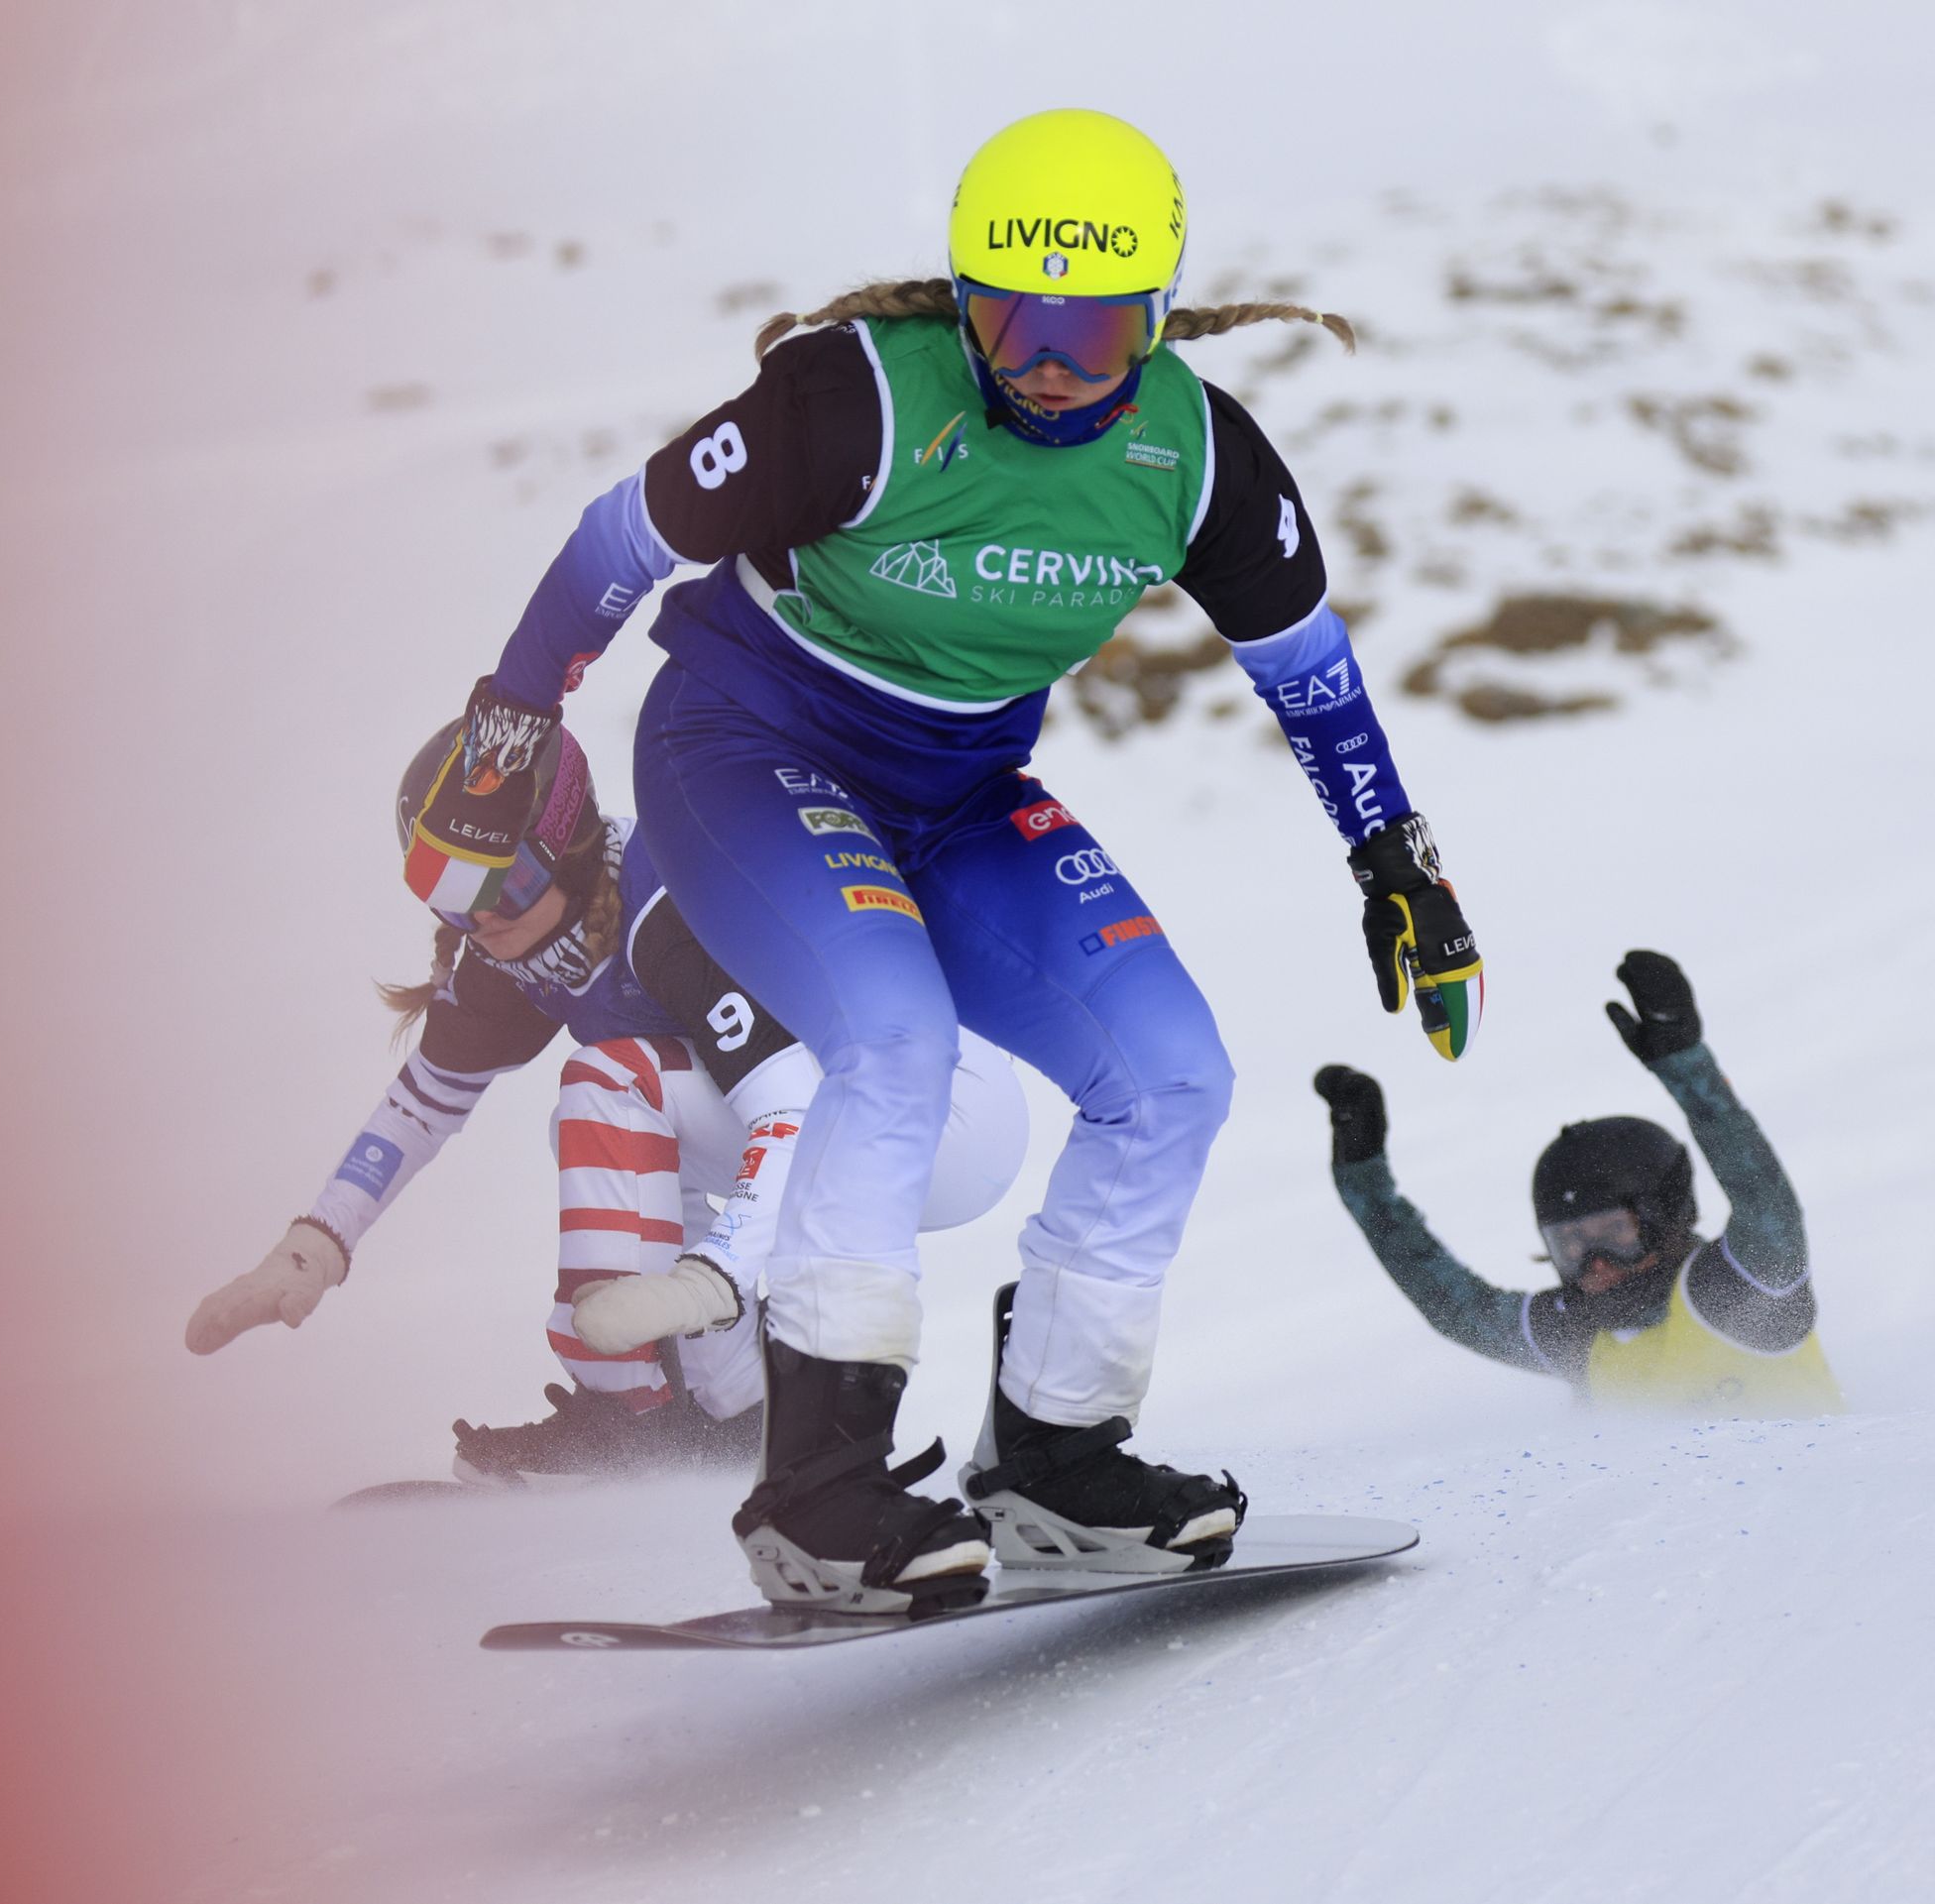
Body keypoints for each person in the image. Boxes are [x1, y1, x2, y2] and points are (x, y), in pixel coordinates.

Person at [398, 108, 1485, 1614]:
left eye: (1093, 336)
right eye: (1007, 321)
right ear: (959, 298)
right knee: (893, 1044)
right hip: (743, 754)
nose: (1045, 366)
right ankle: (817, 1493)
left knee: (1175, 1072)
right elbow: (616, 539)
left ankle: (1054, 1456)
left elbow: (1307, 665)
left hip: (962, 790)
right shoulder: (853, 401)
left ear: (1160, 319)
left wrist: (1397, 861)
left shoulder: (1199, 456)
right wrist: (514, 717)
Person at [185, 725, 1031, 1487]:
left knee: (612, 1081)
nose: (478, 916)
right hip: (827, 1116)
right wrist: (315, 1244)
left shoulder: (667, 908)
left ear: (575, 849)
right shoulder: (516, 946)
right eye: (443, 884)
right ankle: (717, 1409)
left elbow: (795, 1108)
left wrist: (715, 1277)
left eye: (504, 880)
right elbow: (418, 1109)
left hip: (944, 1111)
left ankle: (645, 1411)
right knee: (621, 1105)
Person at [1314, 952, 1837, 1413]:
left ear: (1666, 1213)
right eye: (1570, 1245)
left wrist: (1685, 1065)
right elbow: (1457, 1308)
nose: (1597, 1263)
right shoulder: (1580, 1330)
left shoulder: (1739, 1290)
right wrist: (1364, 1179)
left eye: (1614, 1232)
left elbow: (1767, 1202)